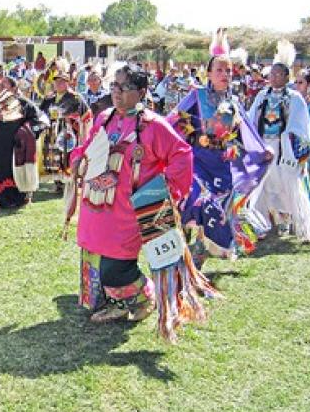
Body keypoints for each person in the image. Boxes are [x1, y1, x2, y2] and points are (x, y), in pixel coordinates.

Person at [69, 65, 198, 331]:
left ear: (141, 92)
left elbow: (182, 154)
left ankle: (142, 296)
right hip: (97, 203)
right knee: (93, 254)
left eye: (124, 88)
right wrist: (78, 158)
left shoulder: (153, 126)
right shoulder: (104, 117)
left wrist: (160, 191)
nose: (116, 92)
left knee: (115, 266)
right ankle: (108, 300)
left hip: (127, 209)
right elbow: (89, 147)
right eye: (114, 86)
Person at [168, 53, 272, 265]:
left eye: (228, 71)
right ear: (209, 74)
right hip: (197, 160)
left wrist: (262, 151)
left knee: (215, 212)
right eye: (219, 70)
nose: (225, 74)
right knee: (197, 200)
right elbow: (174, 118)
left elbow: (247, 131)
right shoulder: (197, 96)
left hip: (222, 165)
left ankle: (198, 255)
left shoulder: (233, 102)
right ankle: (186, 249)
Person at [248, 62, 310, 243]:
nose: (273, 77)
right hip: (264, 149)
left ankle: (293, 222)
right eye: (271, 74)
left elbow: (301, 126)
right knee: (263, 185)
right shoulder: (262, 96)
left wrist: (289, 143)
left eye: (278, 74)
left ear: (286, 77)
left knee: (288, 185)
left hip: (285, 150)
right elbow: (251, 118)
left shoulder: (295, 98)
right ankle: (261, 222)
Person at [0, 77, 47, 209]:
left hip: (14, 145)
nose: (1, 86)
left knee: (13, 171)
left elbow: (41, 120)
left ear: (14, 88)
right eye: (0, 84)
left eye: (5, 84)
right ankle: (3, 200)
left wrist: (24, 132)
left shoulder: (22, 103)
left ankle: (19, 199)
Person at [39, 62, 92, 192]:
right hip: (51, 132)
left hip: (68, 132)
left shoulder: (75, 98)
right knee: (53, 156)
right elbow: (40, 113)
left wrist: (73, 120)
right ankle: (58, 182)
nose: (59, 84)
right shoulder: (49, 98)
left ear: (68, 83)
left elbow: (87, 114)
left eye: (62, 82)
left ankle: (69, 181)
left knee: (67, 156)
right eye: (57, 82)